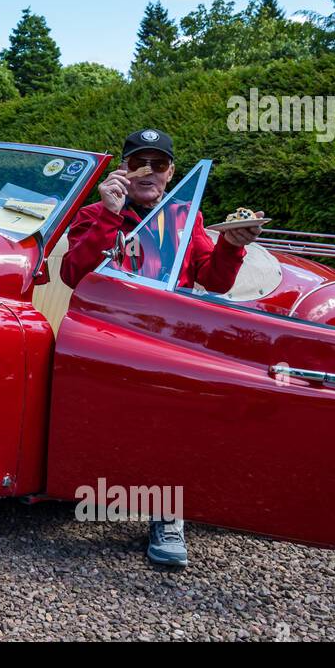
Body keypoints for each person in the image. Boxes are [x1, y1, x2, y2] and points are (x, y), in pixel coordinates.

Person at [60, 128, 263, 568]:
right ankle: (83, 483)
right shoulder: (94, 212)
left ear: (172, 172)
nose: (148, 172)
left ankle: (168, 513)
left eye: (159, 163)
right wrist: (111, 216)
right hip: (109, 336)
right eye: (138, 162)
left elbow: (214, 280)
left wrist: (231, 244)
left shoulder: (186, 216)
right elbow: (74, 274)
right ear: (123, 168)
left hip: (171, 338)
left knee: (176, 409)